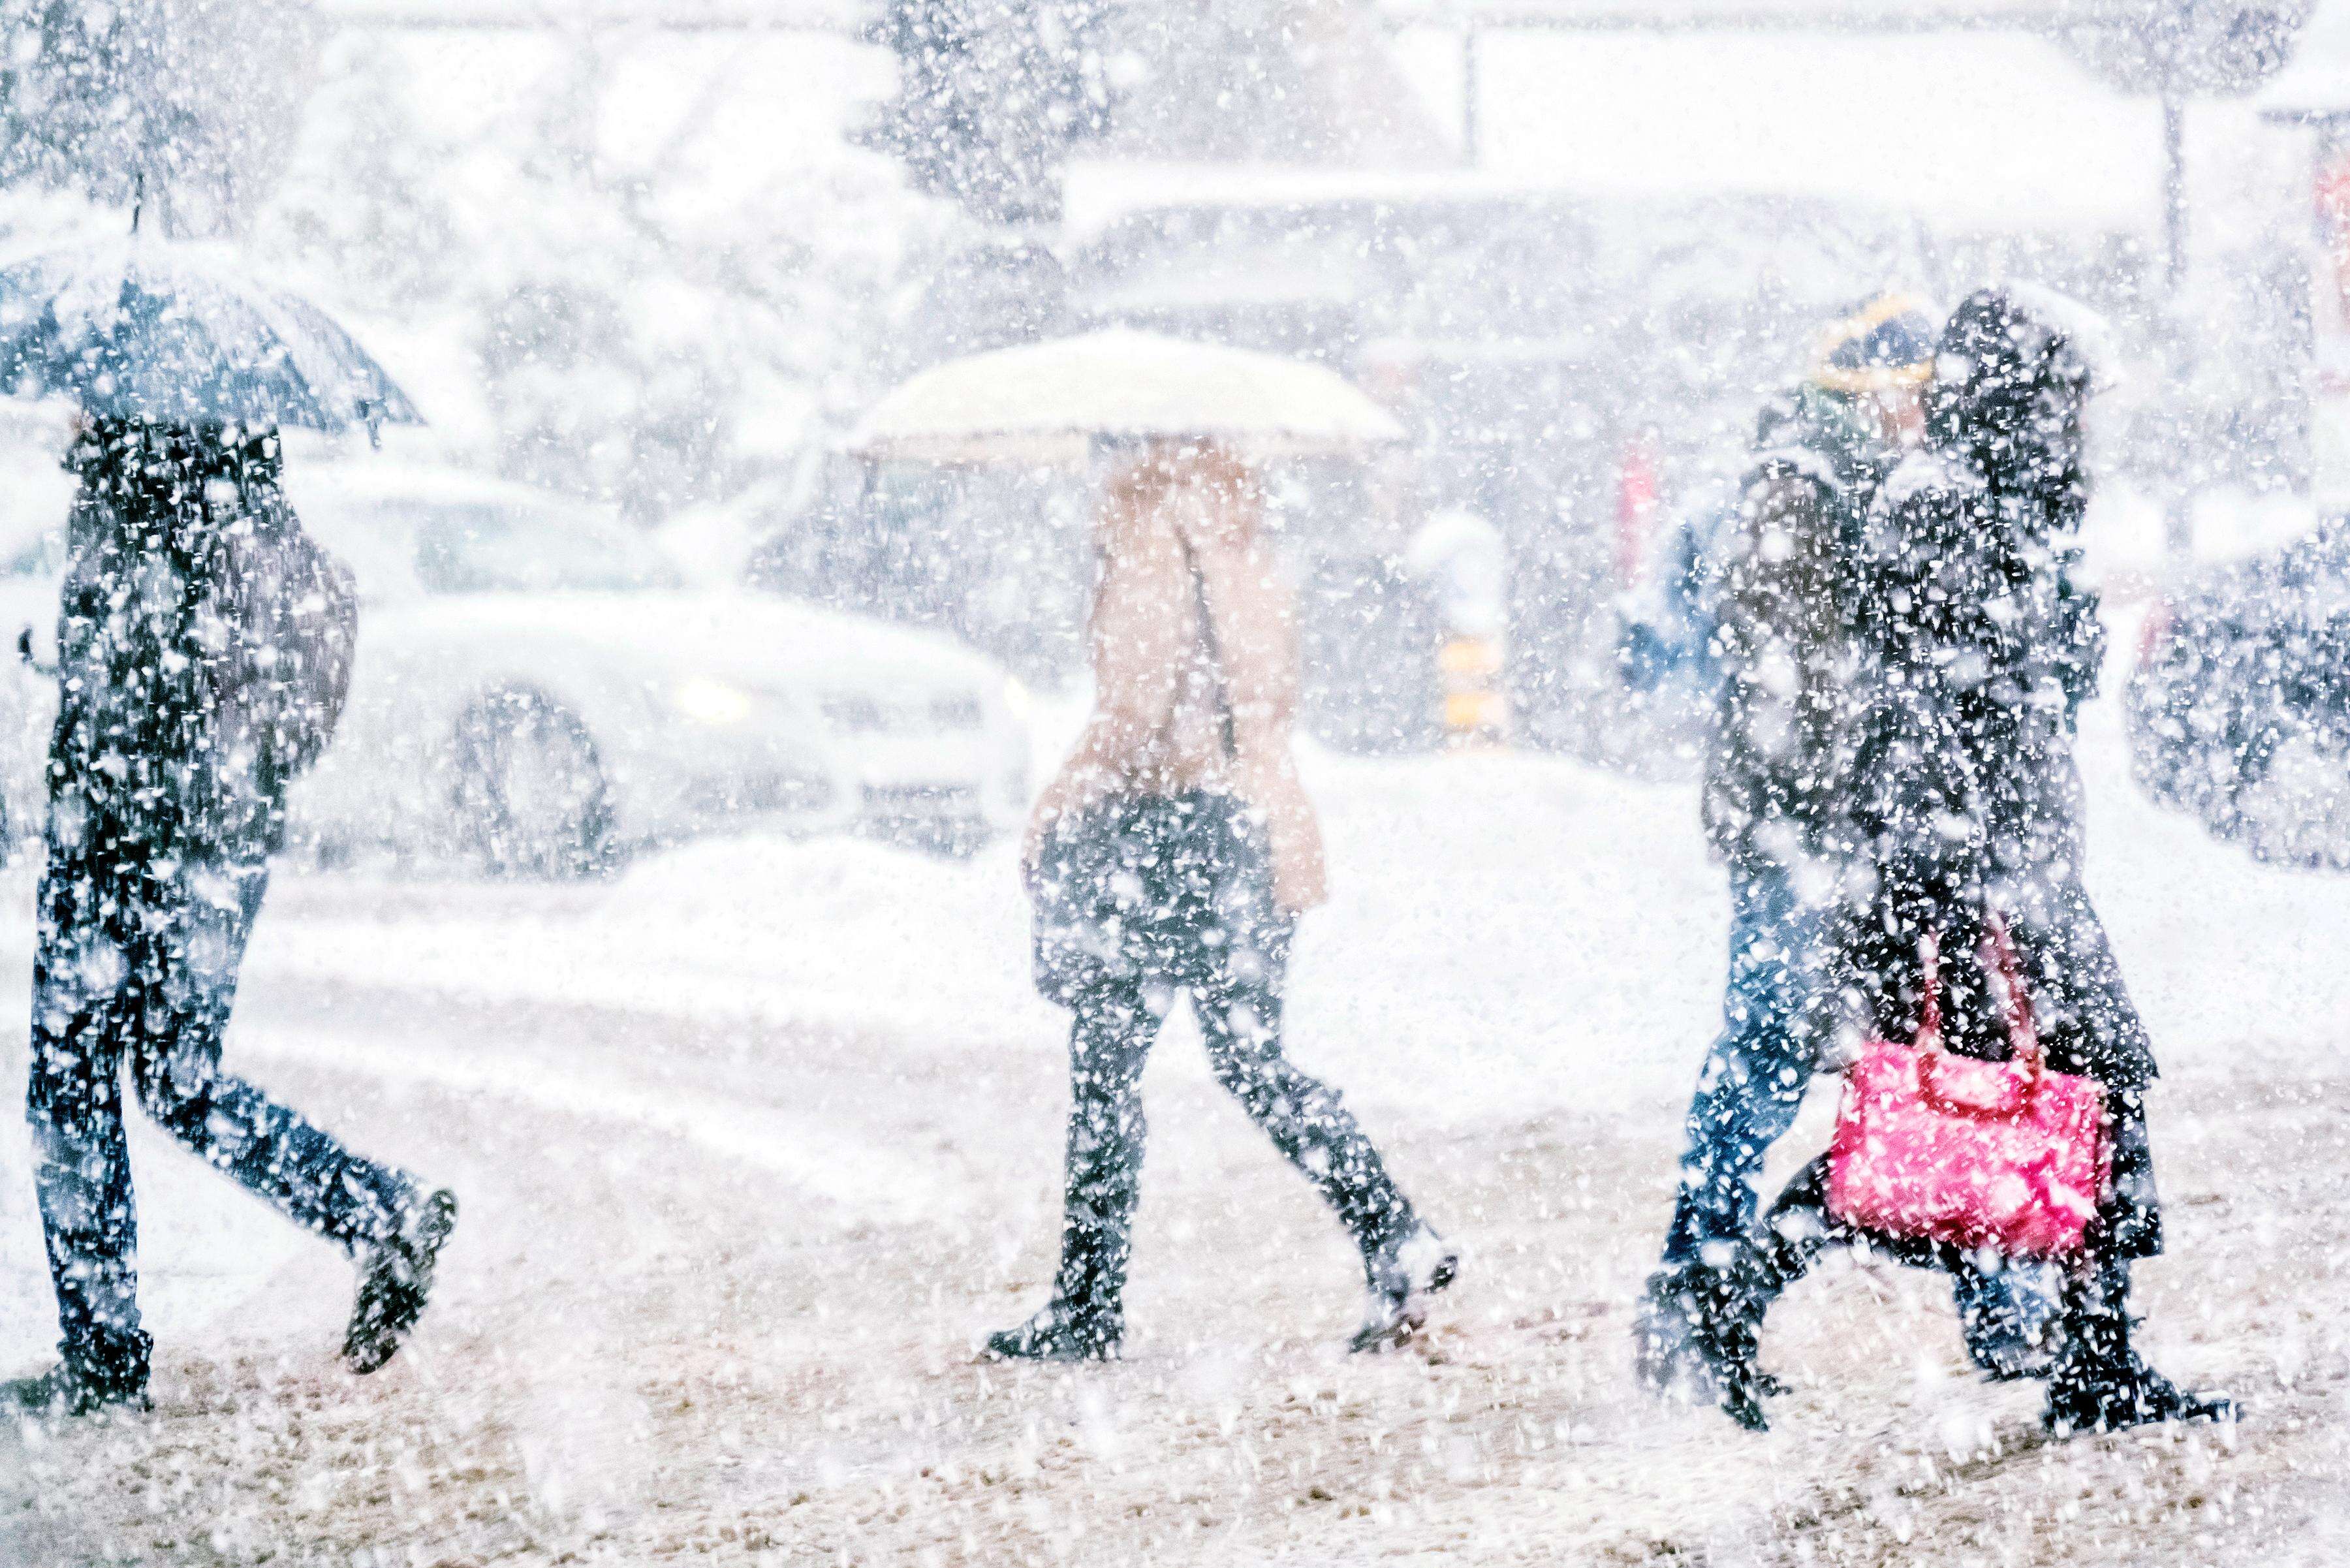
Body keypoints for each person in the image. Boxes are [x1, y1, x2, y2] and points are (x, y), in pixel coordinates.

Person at [1700, 289, 2232, 1436]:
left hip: (2009, 866)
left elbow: (2027, 687)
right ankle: (1736, 1294)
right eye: (2069, 404)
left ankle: (2096, 1355)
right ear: (2021, 401)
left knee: (2051, 1104)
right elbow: (1933, 710)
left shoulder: (2000, 504)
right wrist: (1957, 880)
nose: (2083, 429)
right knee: (1942, 1127)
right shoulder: (1942, 506)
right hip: (1965, 879)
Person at [1634, 294, 2061, 1407]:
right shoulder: (1801, 491)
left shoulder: (1877, 492)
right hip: (1810, 839)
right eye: (1912, 392)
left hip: (1865, 834)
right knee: (1775, 1050)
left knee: (1949, 1053)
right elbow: (1796, 688)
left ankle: (1998, 1297)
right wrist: (1870, 788)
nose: (1926, 415)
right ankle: (1695, 1284)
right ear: (1864, 393)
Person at [5, 418, 458, 1418]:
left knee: (71, 1085)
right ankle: (378, 1210)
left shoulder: (140, 497)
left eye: (90, 404)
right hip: (223, 833)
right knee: (176, 1077)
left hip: (128, 830)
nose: (73, 419)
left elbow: (143, 666)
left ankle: (106, 1360)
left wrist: (86, 654)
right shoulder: (250, 502)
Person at [989, 441, 1453, 1361]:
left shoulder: (1149, 539)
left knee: (1107, 1072)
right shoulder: (1243, 542)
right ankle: (1393, 1230)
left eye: (1098, 446)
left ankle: (1087, 1304)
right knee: (1253, 1060)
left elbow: (1138, 711)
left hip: (1164, 837)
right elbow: (1258, 697)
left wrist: (1059, 796)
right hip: (1255, 824)